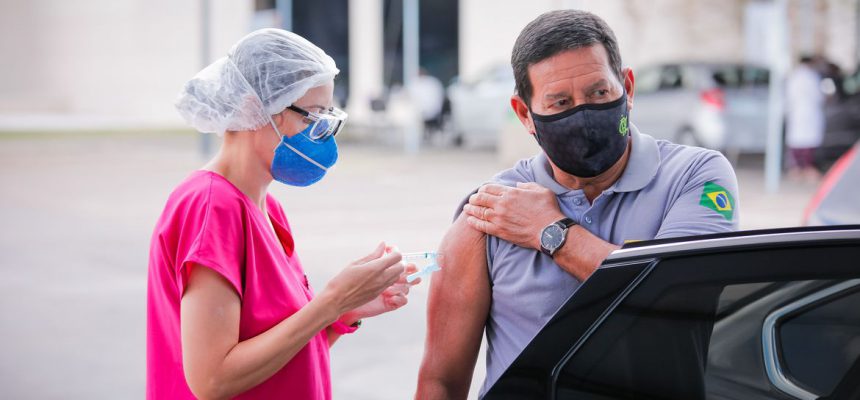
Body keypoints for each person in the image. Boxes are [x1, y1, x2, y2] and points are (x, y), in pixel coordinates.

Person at [416, 10, 739, 399]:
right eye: (560, 102)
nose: (583, 114)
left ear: (628, 88)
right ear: (525, 115)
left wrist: (552, 232)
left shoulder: (695, 176)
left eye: (599, 93)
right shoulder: (490, 211)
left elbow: (680, 296)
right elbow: (441, 380)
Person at [147, 29, 419, 400]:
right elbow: (213, 380)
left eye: (327, 119)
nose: (320, 135)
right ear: (249, 108)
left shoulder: (266, 207)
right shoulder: (212, 207)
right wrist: (331, 301)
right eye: (311, 117)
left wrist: (344, 313)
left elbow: (284, 354)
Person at [786, 55, 826, 181]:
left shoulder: (794, 76)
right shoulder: (812, 77)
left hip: (797, 113)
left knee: (798, 141)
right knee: (808, 142)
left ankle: (797, 168)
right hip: (809, 113)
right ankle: (807, 168)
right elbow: (819, 96)